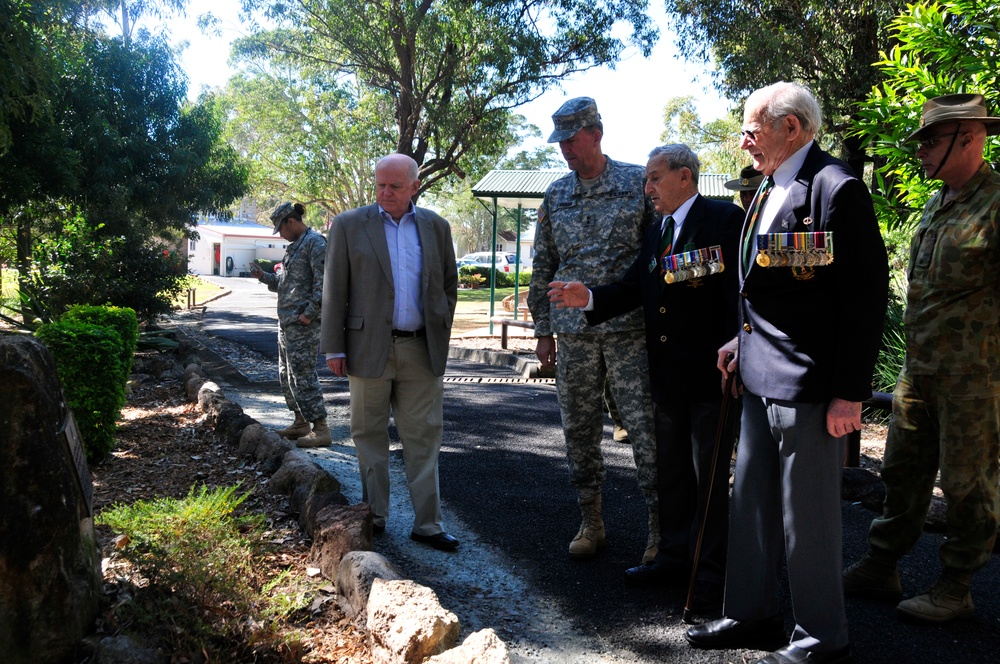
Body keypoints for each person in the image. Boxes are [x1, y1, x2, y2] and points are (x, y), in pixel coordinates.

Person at [684, 82, 888, 664]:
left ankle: (823, 636)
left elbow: (862, 297)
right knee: (751, 505)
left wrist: (850, 394)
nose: (743, 140)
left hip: (811, 387)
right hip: (758, 376)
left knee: (810, 521)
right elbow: (773, 291)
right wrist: (738, 340)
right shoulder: (768, 188)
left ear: (792, 128)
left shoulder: (835, 189)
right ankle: (751, 614)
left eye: (753, 128)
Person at [548, 143, 744, 612]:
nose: (647, 188)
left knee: (709, 482)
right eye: (646, 180)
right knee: (674, 476)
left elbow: (739, 293)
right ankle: (673, 559)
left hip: (711, 379)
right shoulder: (659, 230)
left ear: (685, 177)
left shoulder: (723, 221)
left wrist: (740, 348)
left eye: (655, 178)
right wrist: (588, 298)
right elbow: (637, 288)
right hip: (668, 378)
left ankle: (710, 578)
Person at [843, 93, 1000, 624]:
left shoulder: (997, 202)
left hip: (974, 377)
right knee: (901, 472)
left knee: (966, 482)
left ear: (970, 137)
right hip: (920, 369)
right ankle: (881, 564)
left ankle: (957, 585)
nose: (922, 152)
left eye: (931, 141)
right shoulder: (937, 203)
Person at [527, 97, 660, 563]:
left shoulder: (637, 183)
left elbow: (656, 258)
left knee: (646, 431)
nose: (564, 148)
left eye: (571, 138)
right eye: (558, 140)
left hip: (630, 330)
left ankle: (658, 531)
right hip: (574, 332)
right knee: (579, 430)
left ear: (596, 133)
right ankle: (591, 521)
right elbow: (542, 263)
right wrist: (543, 330)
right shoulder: (556, 194)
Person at [319, 153, 460, 552]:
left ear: (415, 186)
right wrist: (333, 345)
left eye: (395, 186)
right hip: (366, 348)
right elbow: (335, 290)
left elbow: (449, 285)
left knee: (424, 437)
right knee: (368, 435)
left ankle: (428, 524)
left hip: (421, 348)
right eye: (380, 184)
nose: (385, 193)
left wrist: (441, 322)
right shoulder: (349, 225)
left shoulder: (436, 226)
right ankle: (373, 516)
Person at [250, 202, 330, 447]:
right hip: (287, 323)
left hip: (303, 324)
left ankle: (321, 428)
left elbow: (324, 284)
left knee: (303, 375)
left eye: (281, 229)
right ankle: (300, 422)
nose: (280, 235)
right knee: (286, 375)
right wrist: (263, 277)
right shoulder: (294, 247)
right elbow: (284, 283)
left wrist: (309, 314)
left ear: (291, 222)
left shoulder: (316, 243)